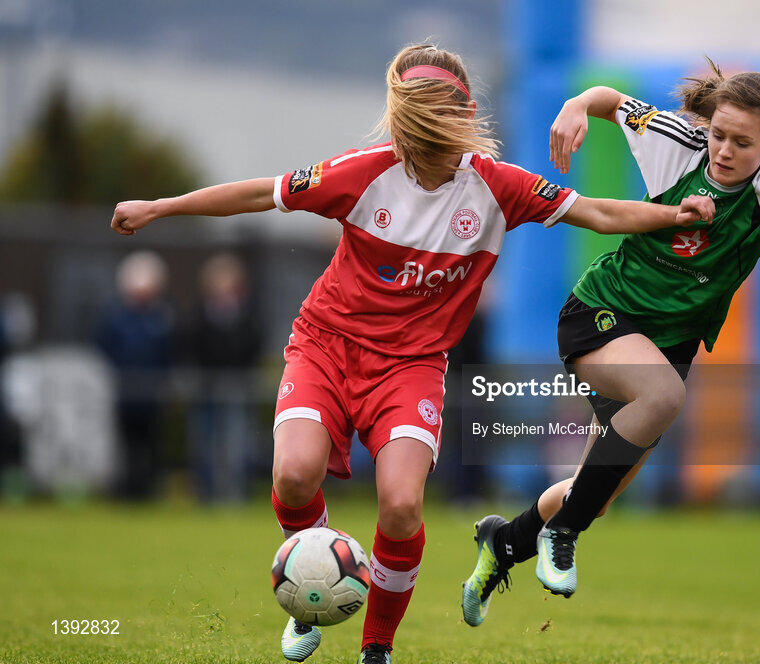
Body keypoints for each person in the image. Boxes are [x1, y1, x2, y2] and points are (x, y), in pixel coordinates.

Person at [111, 43, 712, 664]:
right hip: (326, 347)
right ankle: (313, 582)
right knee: (293, 476)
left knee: (400, 506)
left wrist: (673, 215)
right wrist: (161, 207)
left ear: (464, 115)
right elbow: (261, 194)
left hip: (411, 367)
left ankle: (377, 648)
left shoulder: (497, 187)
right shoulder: (360, 173)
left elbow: (595, 210)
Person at [461, 58, 760, 625]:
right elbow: (608, 98)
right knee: (660, 400)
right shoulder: (679, 142)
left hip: (666, 349)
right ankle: (563, 536)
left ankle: (503, 544)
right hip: (602, 313)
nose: (724, 150)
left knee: (594, 492)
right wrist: (575, 105)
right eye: (719, 135)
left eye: (742, 143)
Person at [95, 250, 176, 500]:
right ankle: (126, 490)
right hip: (124, 392)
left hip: (151, 393)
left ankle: (148, 490)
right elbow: (103, 346)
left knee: (151, 443)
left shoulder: (162, 316)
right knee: (125, 443)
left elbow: (169, 352)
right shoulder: (116, 316)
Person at [184, 252, 263, 502]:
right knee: (205, 443)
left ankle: (234, 494)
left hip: (237, 386)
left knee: (236, 442)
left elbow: (254, 343)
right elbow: (191, 343)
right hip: (206, 387)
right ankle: (205, 493)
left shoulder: (246, 315)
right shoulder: (200, 313)